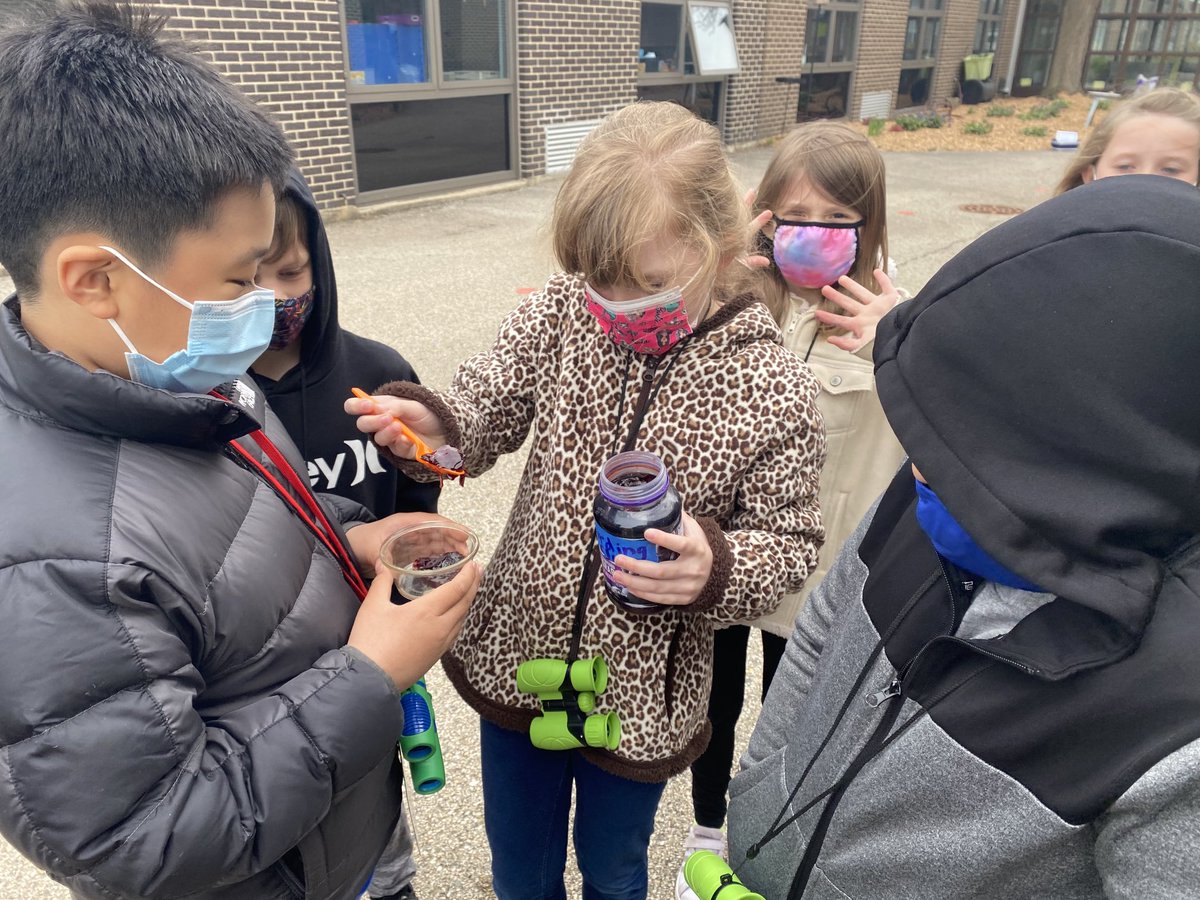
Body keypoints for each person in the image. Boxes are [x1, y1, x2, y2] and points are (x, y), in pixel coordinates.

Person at [0, 4, 477, 899]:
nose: (260, 306)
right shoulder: (48, 556)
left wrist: (355, 535)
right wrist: (370, 676)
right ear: (95, 279)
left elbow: (255, 513)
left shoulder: (184, 375)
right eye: (236, 280)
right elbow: (144, 840)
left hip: (340, 840)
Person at [348, 101, 826, 900]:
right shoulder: (566, 311)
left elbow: (791, 540)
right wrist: (435, 421)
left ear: (725, 243)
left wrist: (717, 567)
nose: (613, 305)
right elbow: (489, 397)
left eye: (645, 283)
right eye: (595, 280)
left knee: (614, 866)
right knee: (519, 861)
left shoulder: (771, 382)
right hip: (519, 653)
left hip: (642, 686)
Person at [727, 173, 1200, 898]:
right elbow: (825, 620)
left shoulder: (1174, 724)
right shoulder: (934, 494)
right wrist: (760, 786)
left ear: (1103, 456)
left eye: (964, 443)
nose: (917, 466)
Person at [680, 121, 905, 889]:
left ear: (869, 228)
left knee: (790, 722)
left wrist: (898, 343)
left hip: (814, 581)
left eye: (839, 222)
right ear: (767, 215)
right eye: (796, 217)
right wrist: (720, 248)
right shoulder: (734, 295)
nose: (816, 236)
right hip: (725, 556)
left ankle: (761, 836)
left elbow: (953, 425)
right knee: (711, 703)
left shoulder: (895, 323)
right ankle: (705, 829)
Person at [250, 171, 437, 900]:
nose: (271, 294)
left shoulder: (378, 373)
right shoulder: (208, 400)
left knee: (373, 793)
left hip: (374, 648)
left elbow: (421, 491)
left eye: (290, 270)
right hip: (267, 665)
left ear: (319, 264)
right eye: (246, 276)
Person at [1056, 87, 1200, 193]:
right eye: (1124, 167)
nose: (1144, 181)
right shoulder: (1055, 230)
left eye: (1170, 169)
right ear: (1089, 176)